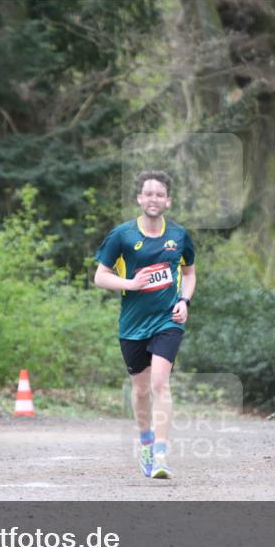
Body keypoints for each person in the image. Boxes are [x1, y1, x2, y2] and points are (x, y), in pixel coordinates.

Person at [94, 170, 196, 479]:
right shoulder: (123, 236)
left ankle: (162, 455)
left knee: (159, 383)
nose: (153, 198)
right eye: (148, 193)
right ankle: (146, 444)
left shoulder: (179, 237)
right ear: (140, 199)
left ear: (168, 201)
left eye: (159, 194)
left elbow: (189, 273)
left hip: (168, 320)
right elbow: (100, 276)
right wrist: (131, 283)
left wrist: (184, 301)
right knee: (140, 390)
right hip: (132, 325)